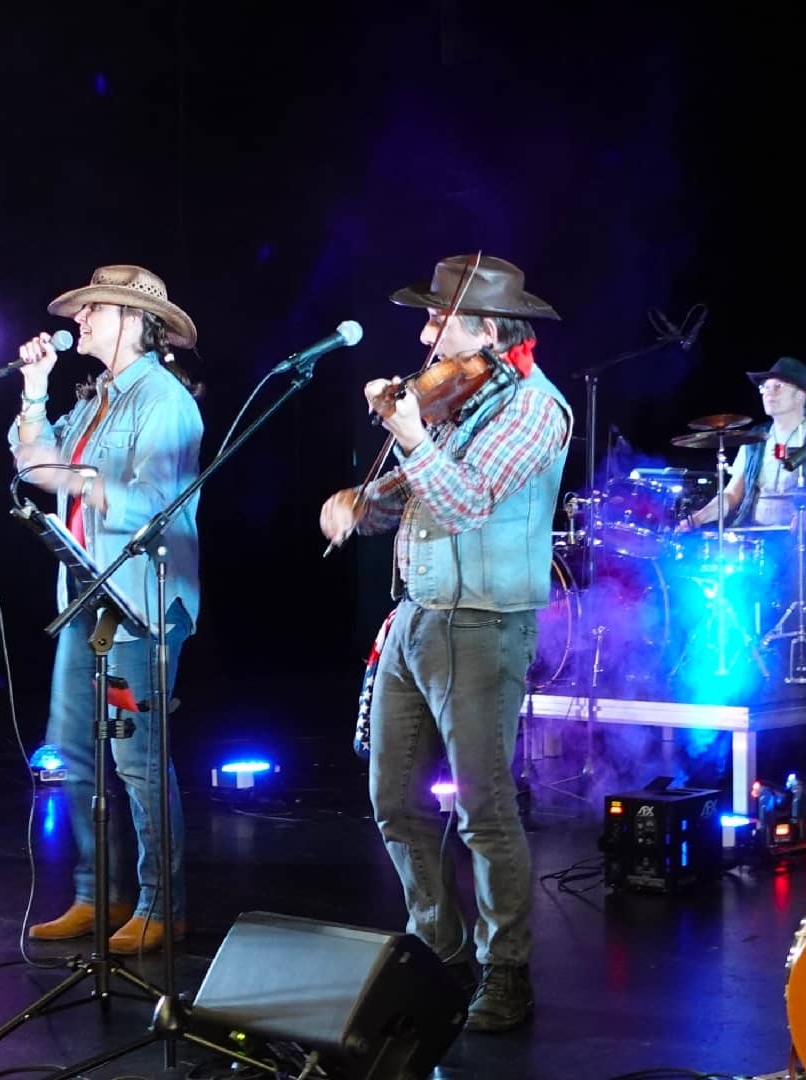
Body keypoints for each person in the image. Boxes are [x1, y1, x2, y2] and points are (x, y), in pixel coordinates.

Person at [319, 253, 570, 1032]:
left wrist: (408, 434)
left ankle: (506, 970)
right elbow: (420, 494)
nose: (426, 334)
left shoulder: (534, 409)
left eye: (439, 319)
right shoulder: (461, 400)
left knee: (484, 810)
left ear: (488, 330)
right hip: (417, 616)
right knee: (391, 798)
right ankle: (441, 949)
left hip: (483, 625)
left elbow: (461, 502)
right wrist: (366, 500)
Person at [12, 265, 203, 954]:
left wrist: (79, 478)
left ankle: (163, 903)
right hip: (89, 597)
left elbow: (142, 503)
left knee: (136, 761)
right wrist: (34, 395)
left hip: (143, 604)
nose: (79, 320)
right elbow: (34, 468)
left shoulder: (166, 401)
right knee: (75, 755)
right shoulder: (95, 401)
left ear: (132, 319)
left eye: (92, 309)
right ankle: (99, 895)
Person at [678, 356, 806, 531]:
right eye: (765, 388)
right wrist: (697, 518)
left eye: (778, 387)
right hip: (758, 537)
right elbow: (732, 494)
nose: (768, 393)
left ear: (800, 396)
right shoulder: (754, 439)